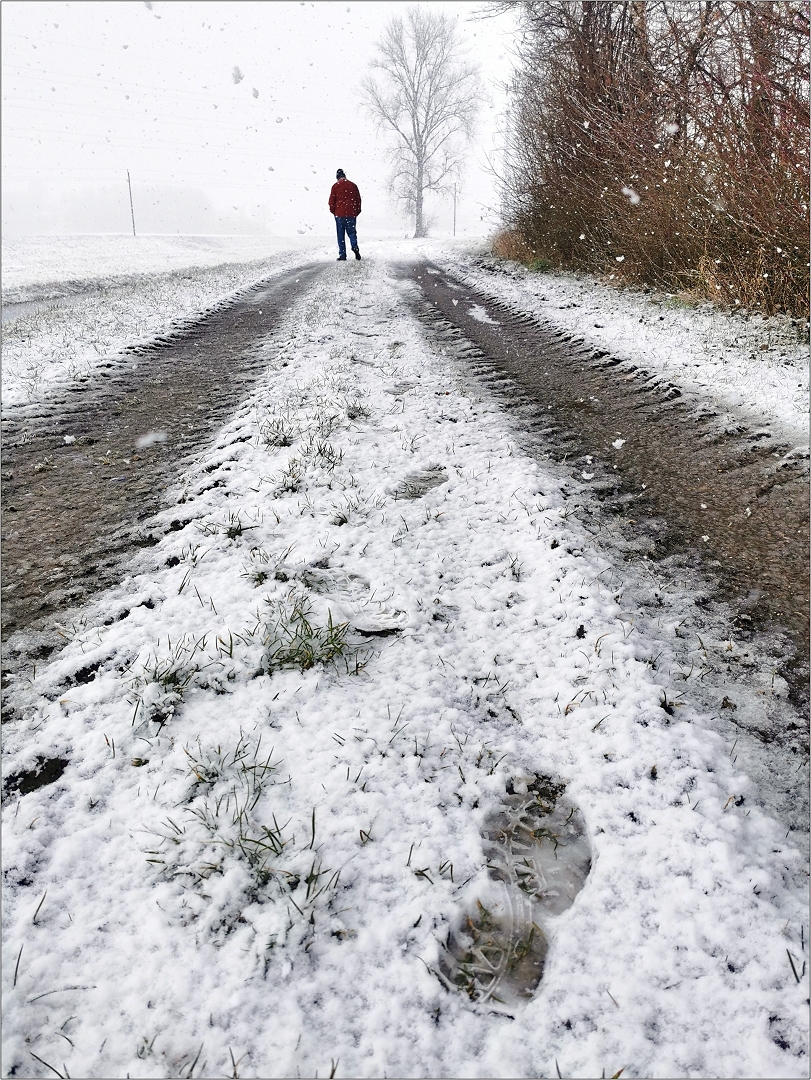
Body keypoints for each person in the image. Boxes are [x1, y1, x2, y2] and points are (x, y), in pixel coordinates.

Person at [328, 169, 362, 261]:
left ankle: (342, 255)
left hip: (339, 214)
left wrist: (334, 212)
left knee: (340, 234)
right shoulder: (353, 186)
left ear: (337, 177)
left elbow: (331, 201)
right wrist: (356, 212)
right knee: (352, 232)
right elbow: (358, 200)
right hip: (351, 213)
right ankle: (354, 246)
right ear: (344, 176)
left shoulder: (335, 186)